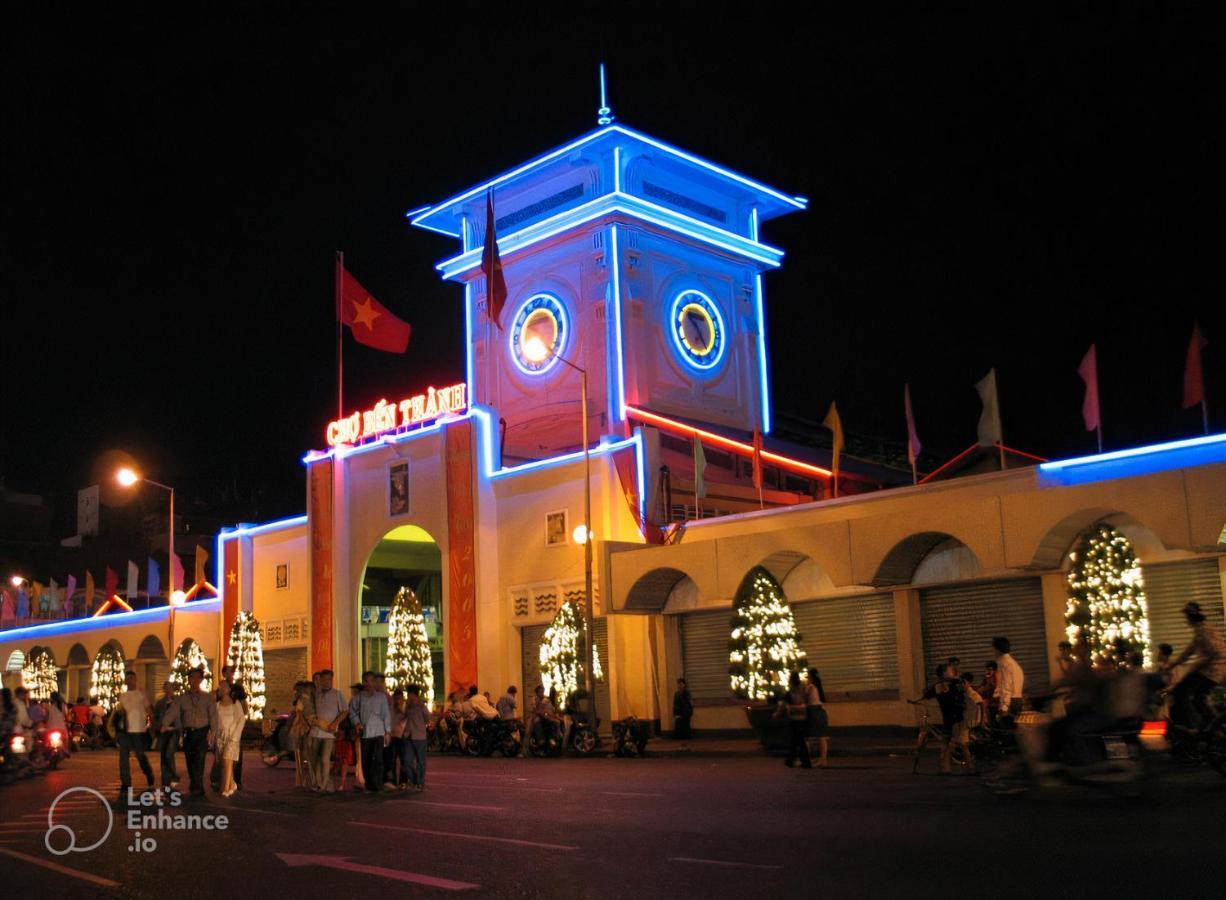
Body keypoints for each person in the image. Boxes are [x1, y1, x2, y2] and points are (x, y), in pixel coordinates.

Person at [1167, 602, 1226, 733]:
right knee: (1196, 697)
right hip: (1209, 670)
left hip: (1212, 671)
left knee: (1182, 692)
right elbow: (1190, 650)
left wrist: (1197, 664)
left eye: (1187, 617)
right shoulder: (1201, 630)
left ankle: (1199, 726)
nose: (1186, 620)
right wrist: (1174, 664)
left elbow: (1216, 652)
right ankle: (1207, 726)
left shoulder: (1205, 631)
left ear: (1191, 617)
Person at [161, 667, 219, 798]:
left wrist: (213, 732)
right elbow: (173, 711)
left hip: (202, 732)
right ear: (189, 680)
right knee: (190, 760)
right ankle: (194, 783)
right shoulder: (182, 698)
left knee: (199, 759)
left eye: (198, 677)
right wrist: (165, 723)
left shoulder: (208, 698)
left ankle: (198, 788)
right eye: (192, 677)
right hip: (188, 733)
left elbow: (213, 716)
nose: (195, 680)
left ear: (201, 680)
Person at [918, 664, 964, 773]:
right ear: (944, 673)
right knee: (951, 741)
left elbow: (927, 695)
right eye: (950, 670)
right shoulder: (953, 683)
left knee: (947, 741)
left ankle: (945, 766)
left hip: (949, 716)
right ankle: (948, 767)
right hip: (956, 715)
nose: (952, 671)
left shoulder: (939, 685)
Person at [350, 671, 392, 792]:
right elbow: (352, 712)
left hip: (378, 732)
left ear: (374, 682)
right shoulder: (359, 698)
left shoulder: (381, 697)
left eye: (371, 681)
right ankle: (369, 784)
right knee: (366, 761)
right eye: (366, 681)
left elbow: (386, 715)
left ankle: (377, 785)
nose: (368, 683)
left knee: (378, 760)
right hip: (365, 734)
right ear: (363, 682)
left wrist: (387, 732)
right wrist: (357, 723)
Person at [117, 671, 155, 797]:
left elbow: (149, 710)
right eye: (127, 679)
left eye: (132, 678)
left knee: (140, 755)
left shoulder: (141, 695)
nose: (129, 681)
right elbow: (119, 713)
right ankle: (126, 783)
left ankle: (148, 771)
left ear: (135, 679)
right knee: (123, 758)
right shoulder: (122, 696)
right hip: (125, 731)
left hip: (138, 730)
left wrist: (153, 725)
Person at [308, 669, 346, 793]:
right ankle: (318, 783)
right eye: (324, 679)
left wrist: (335, 723)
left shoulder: (337, 694)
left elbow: (345, 710)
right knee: (314, 759)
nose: (326, 682)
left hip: (329, 733)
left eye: (329, 679)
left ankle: (324, 785)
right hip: (315, 732)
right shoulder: (316, 694)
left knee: (325, 758)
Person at [775, 672, 812, 769]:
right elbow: (808, 700)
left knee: (797, 740)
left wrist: (777, 714)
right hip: (803, 717)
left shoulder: (791, 690)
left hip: (794, 717)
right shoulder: (804, 688)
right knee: (797, 740)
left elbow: (783, 703)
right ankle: (793, 760)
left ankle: (798, 761)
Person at [216, 682, 247, 797]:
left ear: (229, 689)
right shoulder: (218, 705)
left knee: (228, 757)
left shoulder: (235, 703)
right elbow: (215, 721)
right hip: (221, 736)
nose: (223, 689)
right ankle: (232, 783)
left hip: (233, 735)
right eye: (221, 687)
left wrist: (235, 735)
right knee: (225, 762)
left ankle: (227, 787)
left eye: (225, 687)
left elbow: (241, 719)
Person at [333, 684, 364, 792]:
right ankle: (348, 782)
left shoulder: (357, 702)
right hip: (351, 733)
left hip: (354, 733)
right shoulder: (352, 702)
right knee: (348, 758)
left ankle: (355, 781)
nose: (353, 693)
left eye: (355, 691)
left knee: (354, 758)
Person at [152, 681, 180, 789]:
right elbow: (156, 718)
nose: (168, 691)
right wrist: (156, 729)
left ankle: (174, 775)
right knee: (163, 756)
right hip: (163, 731)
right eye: (166, 688)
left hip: (174, 731)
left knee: (169, 753)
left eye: (170, 688)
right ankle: (165, 781)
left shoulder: (177, 701)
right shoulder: (160, 703)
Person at [401, 684, 430, 790]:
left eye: (411, 694)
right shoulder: (407, 706)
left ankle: (419, 782)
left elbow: (428, 718)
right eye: (409, 695)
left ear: (415, 695)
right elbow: (403, 716)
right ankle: (414, 780)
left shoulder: (421, 706)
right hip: (409, 736)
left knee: (421, 762)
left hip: (420, 736)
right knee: (407, 761)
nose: (409, 697)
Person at [992, 636, 1025, 724]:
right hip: (1017, 700)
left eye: (993, 649)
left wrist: (1004, 707)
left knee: (1005, 732)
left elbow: (1006, 686)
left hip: (1010, 702)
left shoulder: (1003, 663)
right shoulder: (1013, 663)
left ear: (997, 649)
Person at [805, 668, 829, 768]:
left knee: (808, 736)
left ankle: (810, 759)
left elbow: (804, 698)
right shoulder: (818, 687)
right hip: (821, 711)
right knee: (821, 737)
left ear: (811, 678)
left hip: (814, 712)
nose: (807, 679)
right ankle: (823, 760)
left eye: (808, 677)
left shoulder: (810, 687)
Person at [388, 690, 407, 786]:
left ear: (403, 699)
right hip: (392, 736)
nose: (397, 701)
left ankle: (403, 781)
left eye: (399, 699)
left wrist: (401, 710)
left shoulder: (405, 708)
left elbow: (408, 717)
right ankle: (393, 781)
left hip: (402, 736)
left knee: (403, 759)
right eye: (396, 699)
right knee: (392, 759)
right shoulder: (391, 708)